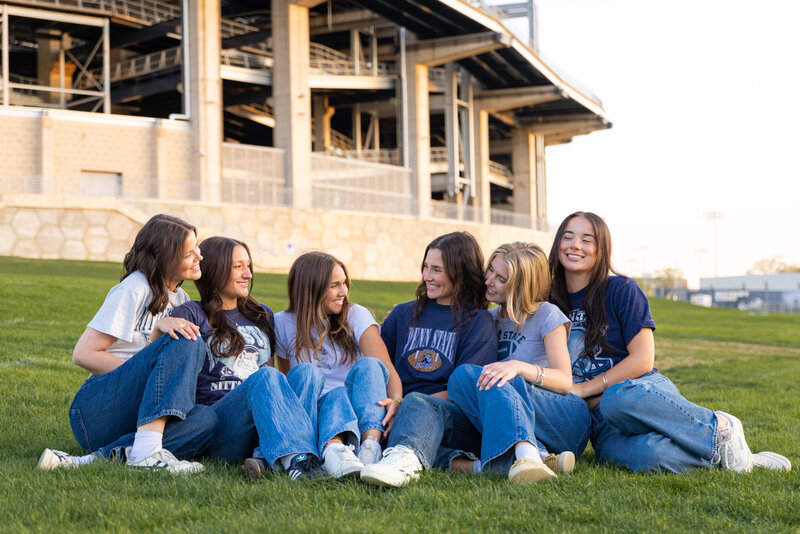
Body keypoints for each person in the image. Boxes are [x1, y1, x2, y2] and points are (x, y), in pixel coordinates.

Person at [549, 211, 791, 473]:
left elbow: (642, 360)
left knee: (616, 400)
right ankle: (733, 455)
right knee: (648, 454)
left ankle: (721, 427)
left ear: (602, 249)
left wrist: (584, 390)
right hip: (601, 424)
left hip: (637, 393)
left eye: (587, 239)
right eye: (568, 237)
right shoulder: (547, 299)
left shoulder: (622, 289)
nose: (575, 245)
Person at [38, 214, 215, 474]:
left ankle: (91, 460)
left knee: (206, 420)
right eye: (189, 253)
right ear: (164, 257)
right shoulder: (136, 287)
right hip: (96, 410)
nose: (199, 255)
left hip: (135, 416)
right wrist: (148, 374)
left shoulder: (181, 299)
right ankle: (146, 452)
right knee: (187, 339)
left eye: (196, 247)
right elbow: (84, 354)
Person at [170, 237, 324, 480]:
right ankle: (298, 458)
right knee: (265, 377)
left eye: (249, 266)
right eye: (238, 266)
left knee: (308, 372)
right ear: (216, 269)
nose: (248, 274)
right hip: (221, 425)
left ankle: (266, 457)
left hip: (262, 422)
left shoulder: (262, 314)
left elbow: (270, 369)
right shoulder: (191, 313)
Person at [360, 231, 498, 487]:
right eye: (425, 267)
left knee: (418, 403)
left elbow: (466, 389)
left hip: (449, 415)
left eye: (437, 270)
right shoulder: (402, 314)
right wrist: (394, 403)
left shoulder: (479, 322)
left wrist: (407, 405)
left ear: (461, 273)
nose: (427, 276)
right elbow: (380, 367)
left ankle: (402, 460)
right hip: (394, 407)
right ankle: (467, 465)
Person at [447, 242, 592, 483]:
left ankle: (527, 456)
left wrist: (518, 367)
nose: (488, 281)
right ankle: (536, 454)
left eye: (501, 279)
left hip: (563, 419)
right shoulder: (487, 319)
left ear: (522, 286)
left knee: (506, 380)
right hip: (519, 416)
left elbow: (565, 381)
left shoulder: (546, 314)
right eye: (490, 270)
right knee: (462, 377)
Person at [268, 251, 403, 479]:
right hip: (316, 414)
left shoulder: (356, 315)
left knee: (369, 365)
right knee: (331, 392)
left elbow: (385, 368)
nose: (344, 292)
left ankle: (370, 449)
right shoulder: (282, 323)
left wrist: (396, 400)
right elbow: (292, 383)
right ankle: (333, 449)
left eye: (345, 283)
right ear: (311, 288)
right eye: (335, 286)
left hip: (360, 411)